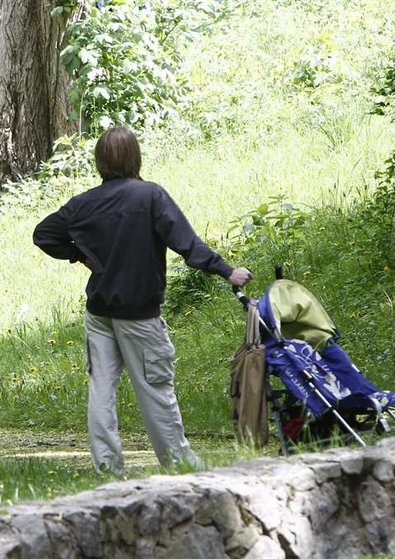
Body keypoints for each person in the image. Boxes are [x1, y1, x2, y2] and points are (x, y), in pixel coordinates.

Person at [33, 126, 252, 474]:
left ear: (100, 161)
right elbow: (186, 243)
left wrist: (79, 255)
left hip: (99, 313)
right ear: (135, 157)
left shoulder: (85, 203)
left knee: (101, 390)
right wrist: (227, 271)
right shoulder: (150, 196)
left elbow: (43, 234)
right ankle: (180, 465)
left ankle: (107, 469)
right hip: (139, 316)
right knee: (155, 389)